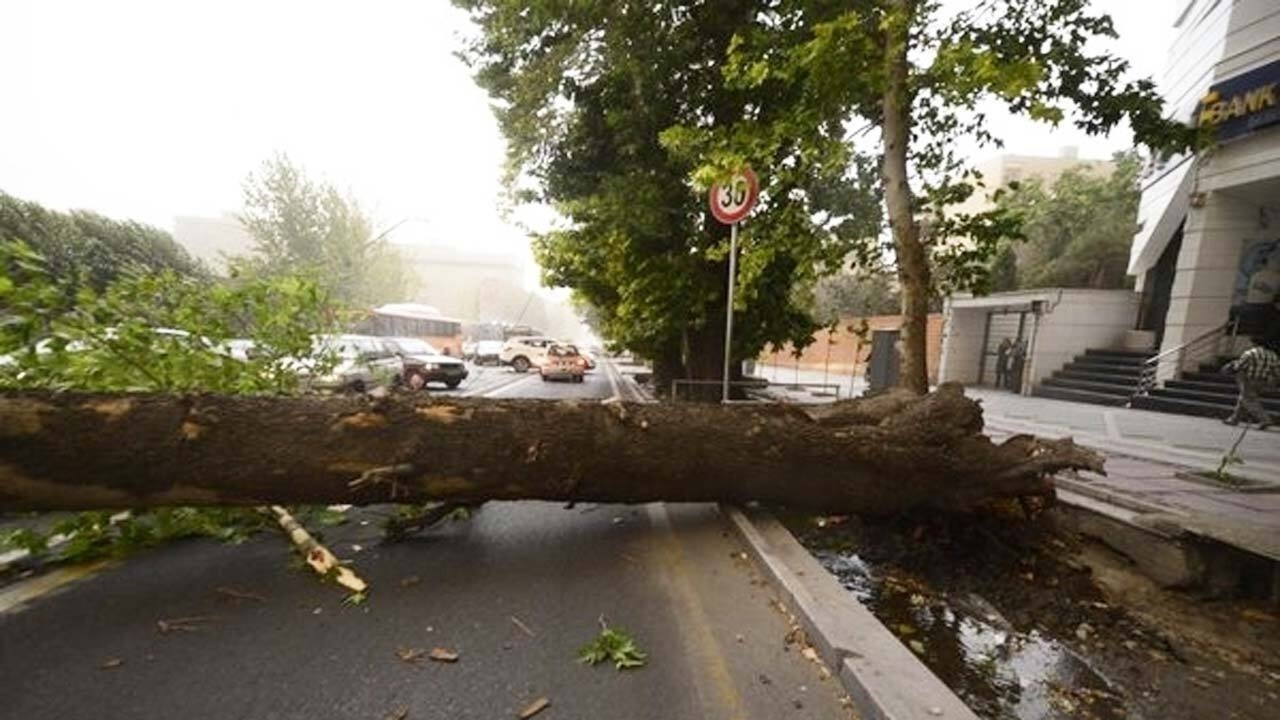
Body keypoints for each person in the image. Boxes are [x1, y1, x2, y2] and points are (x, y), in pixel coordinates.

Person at [1223, 337, 1280, 429]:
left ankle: (1265, 419)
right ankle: (1234, 419)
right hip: (1263, 381)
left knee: (1249, 400)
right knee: (1244, 398)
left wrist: (1231, 365)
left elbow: (1239, 366)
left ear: (1254, 343)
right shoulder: (1273, 355)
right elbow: (1277, 371)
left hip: (1249, 380)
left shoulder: (1249, 353)